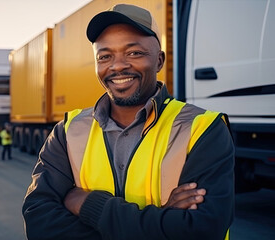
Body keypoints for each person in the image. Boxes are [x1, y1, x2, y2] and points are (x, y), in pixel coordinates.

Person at [22, 4, 234, 240]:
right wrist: (163, 220)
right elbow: (39, 222)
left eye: (134, 53)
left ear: (160, 61)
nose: (118, 65)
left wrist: (90, 205)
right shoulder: (68, 131)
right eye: (105, 56)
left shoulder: (202, 128)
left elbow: (201, 230)